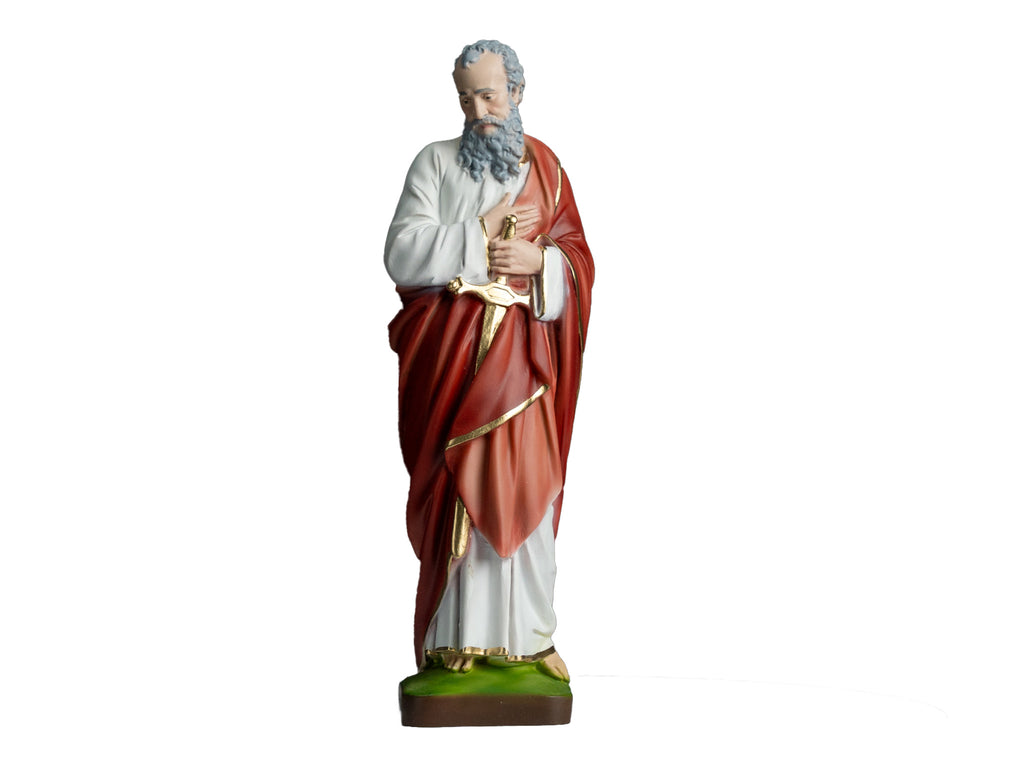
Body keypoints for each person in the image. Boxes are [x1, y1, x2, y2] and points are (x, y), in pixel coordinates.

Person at [385, 40, 594, 683]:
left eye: (490, 96)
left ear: (518, 93)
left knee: (528, 484)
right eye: (467, 99)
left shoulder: (547, 170)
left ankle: (530, 638)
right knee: (462, 490)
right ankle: (458, 639)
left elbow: (579, 261)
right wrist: (477, 235)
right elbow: (401, 252)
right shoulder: (435, 163)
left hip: (524, 365)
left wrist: (541, 262)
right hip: (454, 365)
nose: (479, 112)